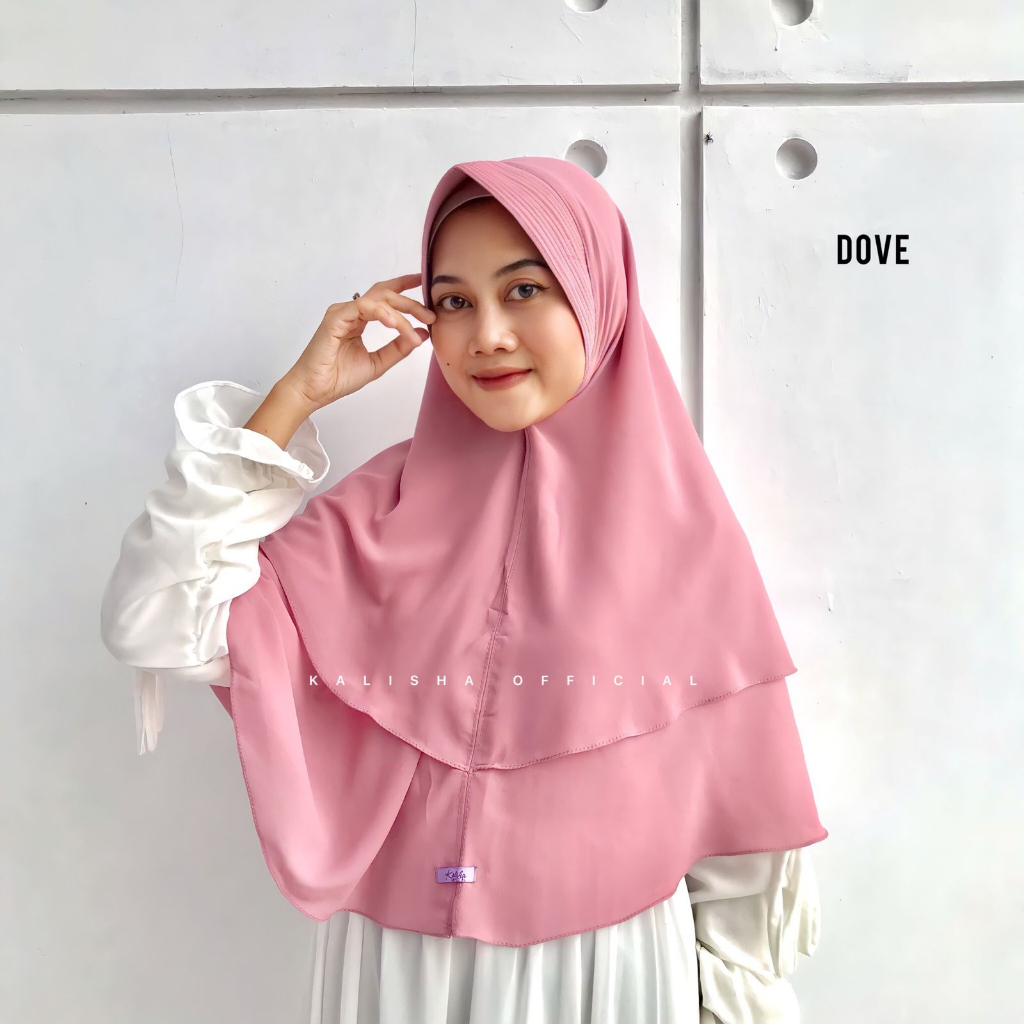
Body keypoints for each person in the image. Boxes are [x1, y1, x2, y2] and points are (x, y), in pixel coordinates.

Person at [101, 157, 826, 1023]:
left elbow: (741, 858)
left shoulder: (683, 536)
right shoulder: (378, 516)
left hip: (606, 977)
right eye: (453, 302)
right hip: (399, 971)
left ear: (598, 296)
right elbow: (155, 619)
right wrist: (297, 397)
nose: (486, 334)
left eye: (524, 290)